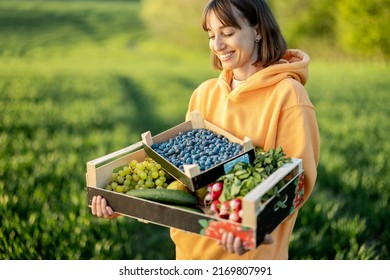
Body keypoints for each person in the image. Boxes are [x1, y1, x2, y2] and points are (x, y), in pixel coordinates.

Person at [92, 0, 320, 260]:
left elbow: (297, 182)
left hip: (249, 257)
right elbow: (178, 176)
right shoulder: (204, 94)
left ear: (257, 30)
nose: (218, 45)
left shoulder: (288, 95)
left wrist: (251, 224)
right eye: (212, 35)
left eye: (228, 33)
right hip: (190, 251)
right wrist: (125, 201)